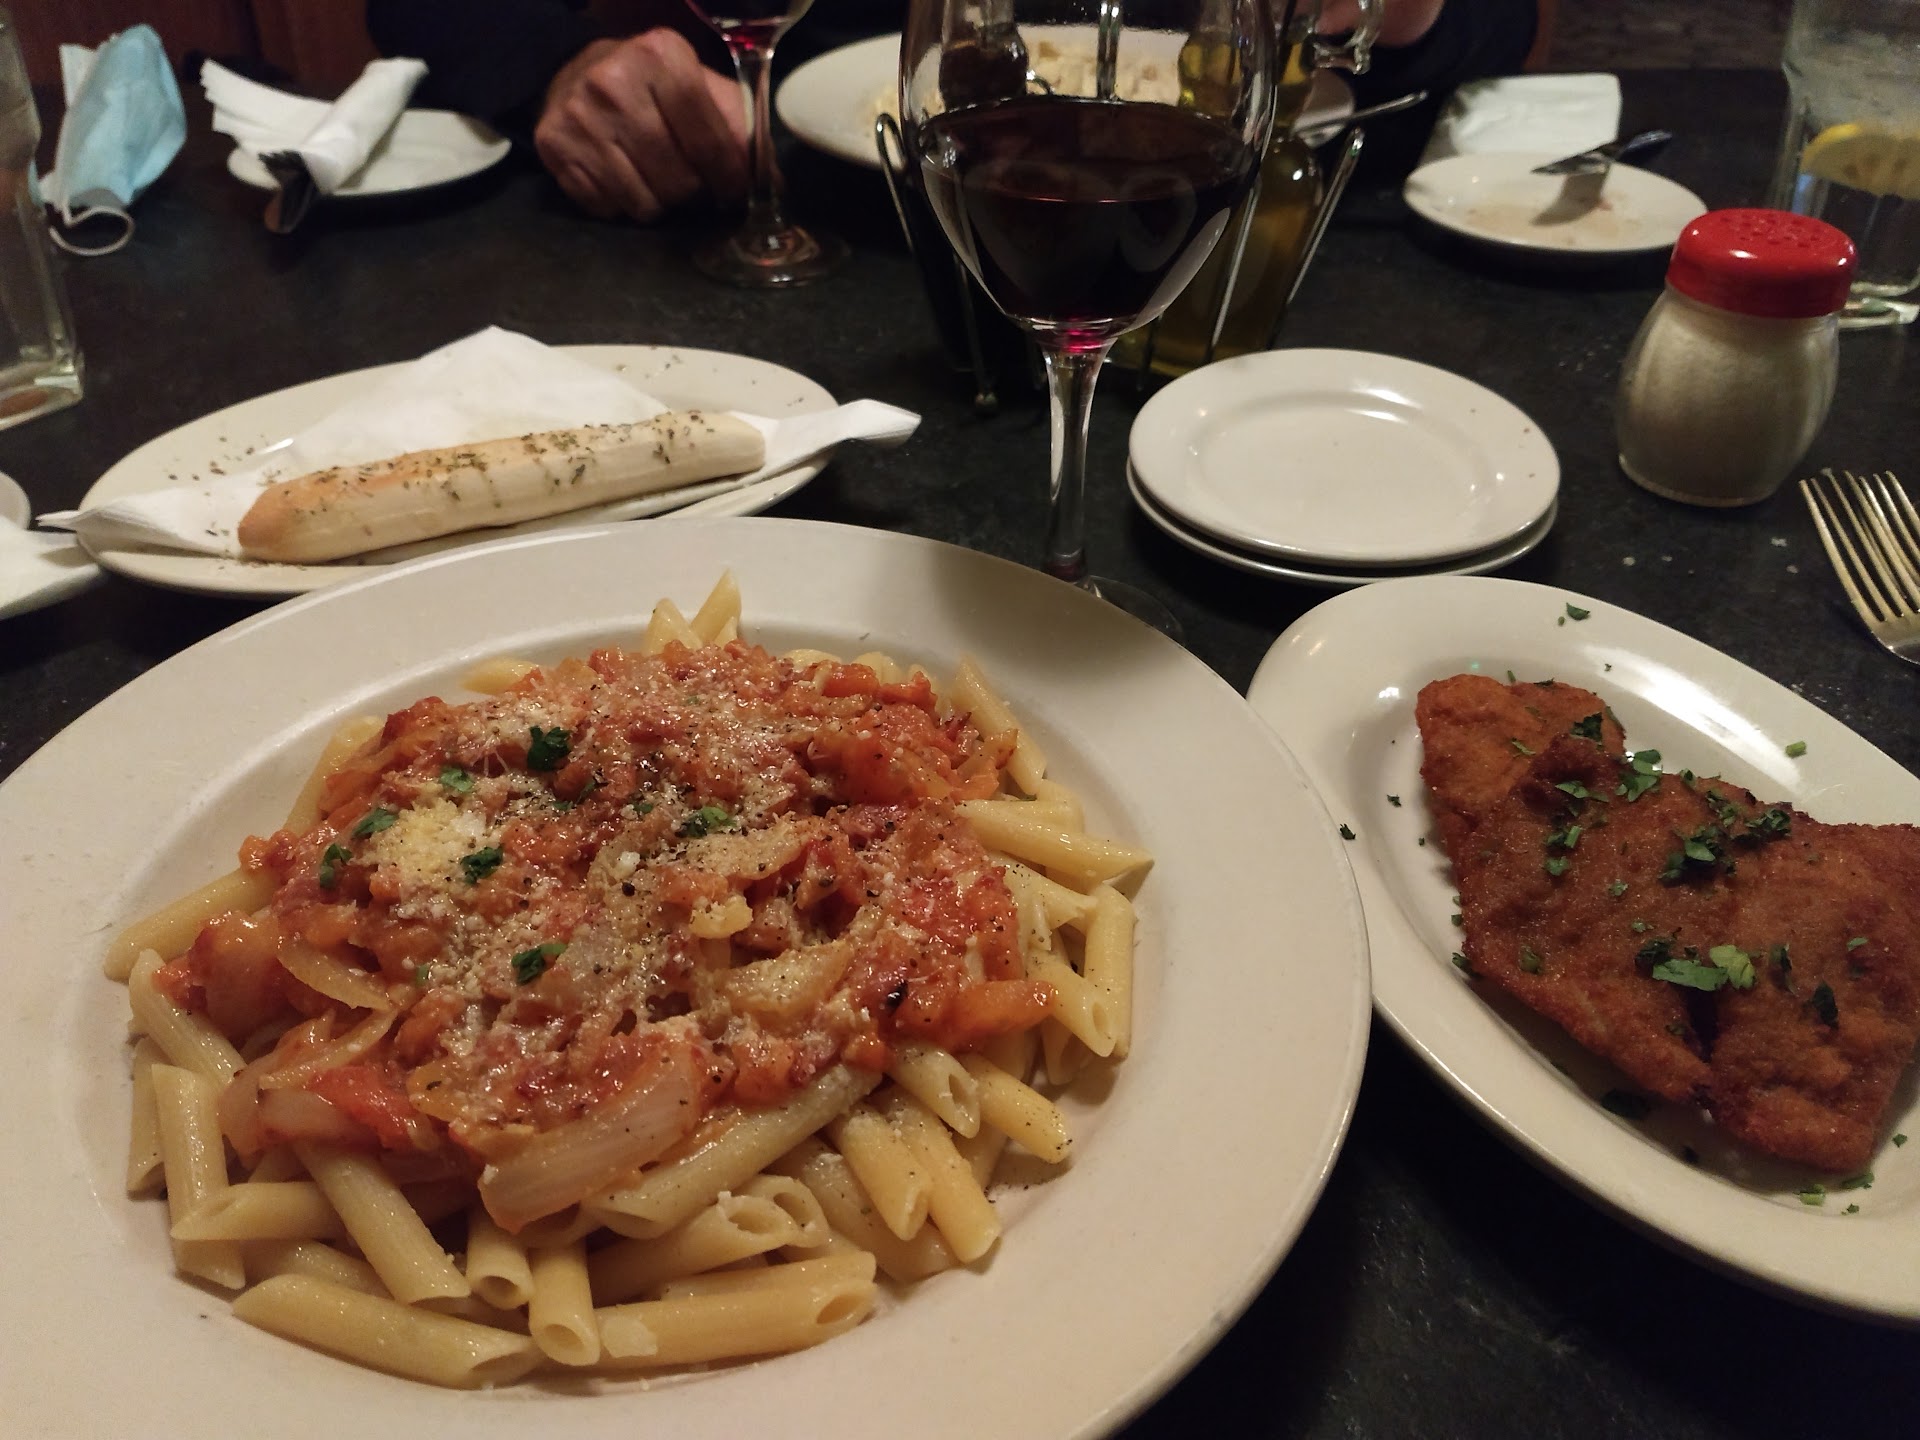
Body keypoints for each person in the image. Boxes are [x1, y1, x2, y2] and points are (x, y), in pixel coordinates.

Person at [366, 0, 1544, 224]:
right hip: (787, 206)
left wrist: (1405, 14)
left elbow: (1493, 26)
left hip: (1224, 249)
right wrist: (554, 63)